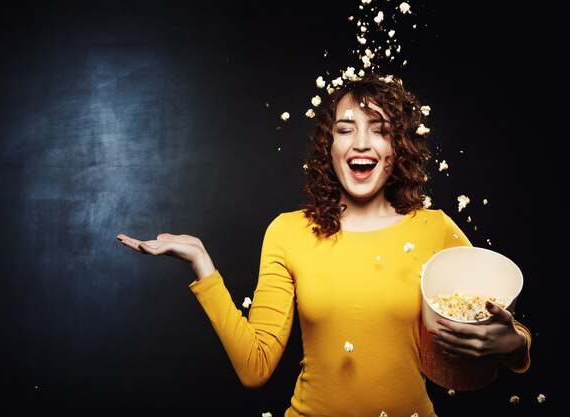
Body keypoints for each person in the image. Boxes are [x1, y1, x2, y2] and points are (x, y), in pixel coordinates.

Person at [116, 73, 531, 417]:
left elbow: (490, 333)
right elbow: (254, 368)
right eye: (346, 129)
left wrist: (515, 346)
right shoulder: (288, 232)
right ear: (329, 148)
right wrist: (201, 263)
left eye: (380, 130)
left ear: (397, 147)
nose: (362, 143)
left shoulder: (435, 229)